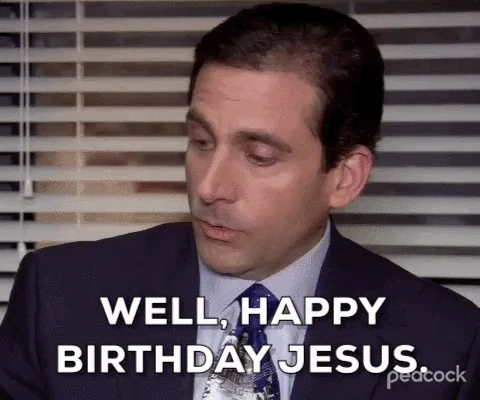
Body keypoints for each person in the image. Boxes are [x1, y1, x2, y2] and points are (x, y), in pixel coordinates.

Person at [1, 2, 479, 400]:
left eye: (259, 156)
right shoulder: (60, 297)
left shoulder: (445, 342)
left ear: (344, 178)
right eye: (201, 141)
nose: (209, 188)